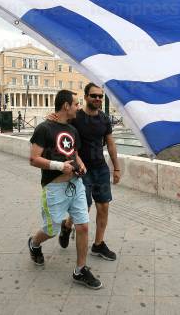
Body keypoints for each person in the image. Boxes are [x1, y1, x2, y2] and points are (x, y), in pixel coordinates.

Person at [28, 89, 102, 289]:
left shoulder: (72, 130)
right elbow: (34, 159)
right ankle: (34, 243)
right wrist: (60, 166)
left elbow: (74, 153)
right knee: (52, 229)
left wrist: (81, 164)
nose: (78, 107)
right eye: (76, 104)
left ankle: (80, 270)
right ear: (66, 106)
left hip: (75, 184)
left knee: (83, 226)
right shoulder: (44, 129)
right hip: (54, 188)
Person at [52, 83, 121, 261]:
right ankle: (67, 226)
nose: (97, 99)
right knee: (84, 207)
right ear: (86, 97)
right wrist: (51, 118)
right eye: (94, 96)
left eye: (100, 96)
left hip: (101, 168)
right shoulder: (76, 117)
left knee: (104, 206)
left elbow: (111, 144)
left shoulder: (104, 119)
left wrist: (116, 167)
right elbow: (59, 125)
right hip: (82, 170)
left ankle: (98, 245)